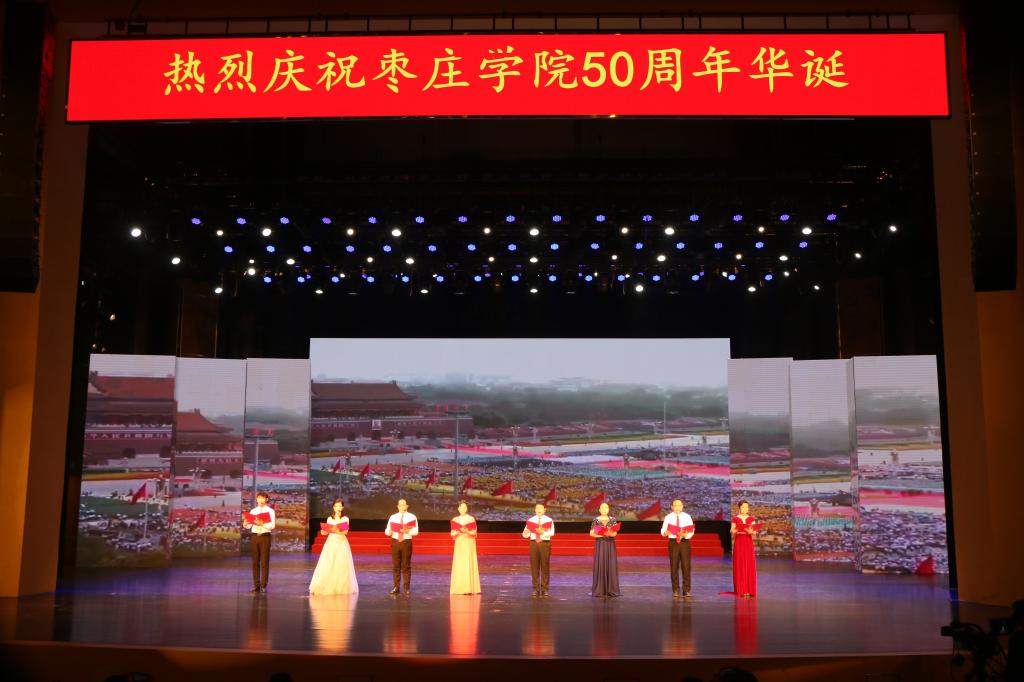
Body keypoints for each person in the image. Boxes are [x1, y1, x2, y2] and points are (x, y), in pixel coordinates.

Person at [309, 498, 358, 595]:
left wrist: (337, 531)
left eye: (340, 506)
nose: (338, 508)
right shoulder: (329, 519)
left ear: (342, 507)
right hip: (330, 543)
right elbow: (326, 532)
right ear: (333, 507)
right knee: (328, 563)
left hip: (341, 543)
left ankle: (340, 587)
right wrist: (323, 532)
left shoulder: (345, 519)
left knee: (341, 565)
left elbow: (345, 532)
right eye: (336, 506)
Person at [660, 498, 695, 598]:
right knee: (674, 566)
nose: (677, 507)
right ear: (672, 507)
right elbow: (663, 530)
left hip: (684, 542)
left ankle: (686, 590)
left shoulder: (687, 517)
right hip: (673, 542)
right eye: (675, 505)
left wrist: (686, 535)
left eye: (679, 505)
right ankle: (675, 590)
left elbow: (691, 531)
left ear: (682, 507)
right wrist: (665, 533)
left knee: (686, 567)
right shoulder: (668, 517)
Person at [243, 491, 276, 593]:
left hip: (265, 537)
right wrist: (245, 524)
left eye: (263, 498)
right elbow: (249, 526)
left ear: (266, 500)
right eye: (259, 498)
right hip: (255, 537)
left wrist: (262, 524)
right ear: (257, 499)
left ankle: (263, 585)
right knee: (255, 562)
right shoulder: (253, 511)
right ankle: (256, 584)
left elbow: (272, 526)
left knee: (264, 562)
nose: (261, 500)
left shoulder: (270, 511)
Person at [384, 498, 418, 595]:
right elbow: (387, 530)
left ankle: (406, 588)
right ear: (398, 506)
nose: (402, 506)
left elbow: (416, 531)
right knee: (396, 566)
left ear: (407, 506)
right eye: (400, 505)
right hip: (395, 541)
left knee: (406, 566)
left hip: (406, 542)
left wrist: (407, 531)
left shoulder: (412, 517)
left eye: (404, 505)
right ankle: (396, 587)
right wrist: (389, 532)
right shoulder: (393, 517)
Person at [522, 502, 555, 597]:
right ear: (535, 510)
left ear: (544, 510)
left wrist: (542, 532)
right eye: (537, 508)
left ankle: (545, 589)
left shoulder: (549, 520)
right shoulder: (531, 520)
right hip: (534, 544)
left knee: (545, 566)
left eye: (541, 508)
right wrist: (526, 532)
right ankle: (535, 589)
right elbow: (525, 535)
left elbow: (552, 533)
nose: (539, 510)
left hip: (544, 543)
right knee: (534, 567)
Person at [449, 500, 481, 595]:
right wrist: (458, 531)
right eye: (461, 507)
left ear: (467, 509)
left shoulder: (471, 519)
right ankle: (459, 588)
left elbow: (474, 533)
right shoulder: (455, 519)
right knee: (460, 563)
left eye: (464, 507)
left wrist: (466, 531)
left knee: (468, 562)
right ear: (458, 509)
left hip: (468, 542)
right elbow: (452, 533)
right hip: (459, 542)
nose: (463, 509)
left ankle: (469, 588)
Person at [589, 501, 620, 597]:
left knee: (611, 564)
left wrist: (610, 533)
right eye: (602, 508)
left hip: (610, 544)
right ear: (599, 510)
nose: (604, 509)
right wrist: (601, 534)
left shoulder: (613, 519)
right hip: (600, 544)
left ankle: (611, 589)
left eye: (606, 507)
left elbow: (615, 533)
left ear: (608, 509)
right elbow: (591, 533)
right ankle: (600, 589)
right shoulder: (596, 520)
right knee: (601, 563)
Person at [730, 500, 758, 598]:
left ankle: (749, 590)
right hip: (739, 542)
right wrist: (735, 530)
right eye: (743, 507)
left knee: (749, 564)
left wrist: (752, 532)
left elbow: (755, 532)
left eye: (746, 507)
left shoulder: (751, 519)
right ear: (739, 508)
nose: (745, 509)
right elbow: (732, 530)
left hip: (748, 542)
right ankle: (742, 590)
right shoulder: (735, 518)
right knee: (740, 564)